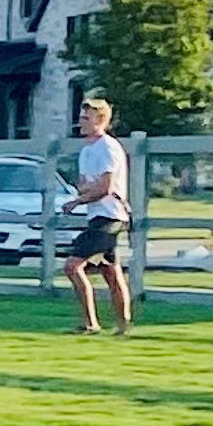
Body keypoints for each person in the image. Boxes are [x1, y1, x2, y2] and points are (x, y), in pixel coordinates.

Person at [62, 94, 134, 334]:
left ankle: (90, 323)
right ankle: (120, 326)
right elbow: (84, 184)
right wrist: (86, 193)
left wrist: (78, 200)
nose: (80, 122)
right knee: (110, 272)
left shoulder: (108, 147)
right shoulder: (86, 151)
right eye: (81, 117)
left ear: (101, 119)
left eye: (86, 117)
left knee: (72, 266)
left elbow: (104, 188)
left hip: (111, 218)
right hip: (97, 216)